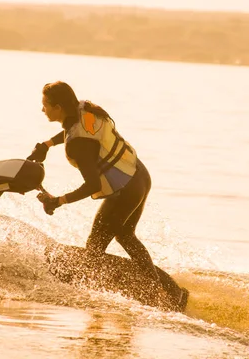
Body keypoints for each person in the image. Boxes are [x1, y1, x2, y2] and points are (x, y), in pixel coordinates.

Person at [27, 81, 161, 285]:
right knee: (124, 234)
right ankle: (154, 284)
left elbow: (93, 186)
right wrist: (47, 144)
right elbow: (76, 130)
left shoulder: (77, 146)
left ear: (58, 108)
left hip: (126, 191)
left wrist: (58, 201)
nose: (42, 109)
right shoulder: (83, 109)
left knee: (94, 247)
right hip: (139, 175)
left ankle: (101, 287)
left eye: (45, 104)